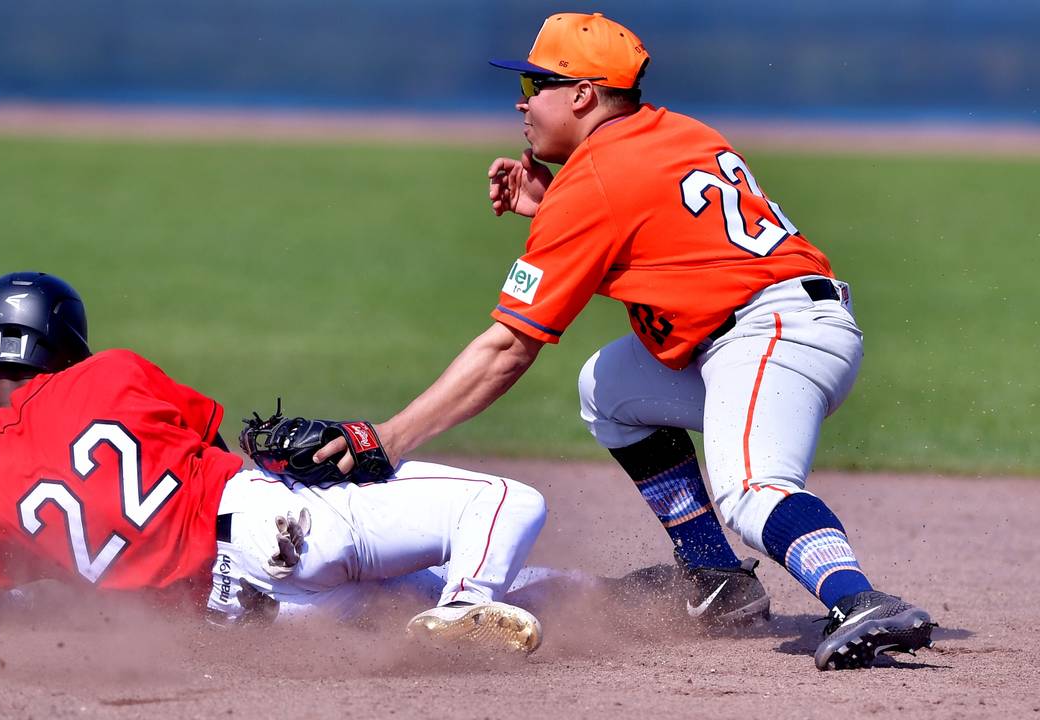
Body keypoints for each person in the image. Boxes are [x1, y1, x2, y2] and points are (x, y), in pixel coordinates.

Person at [313, 12, 935, 670]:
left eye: (535, 85)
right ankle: (716, 580)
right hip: (777, 325)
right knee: (607, 388)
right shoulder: (676, 131)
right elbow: (671, 239)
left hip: (772, 333)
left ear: (583, 94)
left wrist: (389, 438)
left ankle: (857, 599)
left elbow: (508, 349)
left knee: (752, 488)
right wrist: (554, 204)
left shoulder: (597, 180)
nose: (523, 103)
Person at [0, 271, 548, 655]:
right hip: (278, 530)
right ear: (67, 345)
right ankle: (466, 604)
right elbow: (215, 446)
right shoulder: (109, 373)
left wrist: (56, 599)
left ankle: (512, 604)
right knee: (506, 504)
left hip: (242, 615)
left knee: (424, 596)